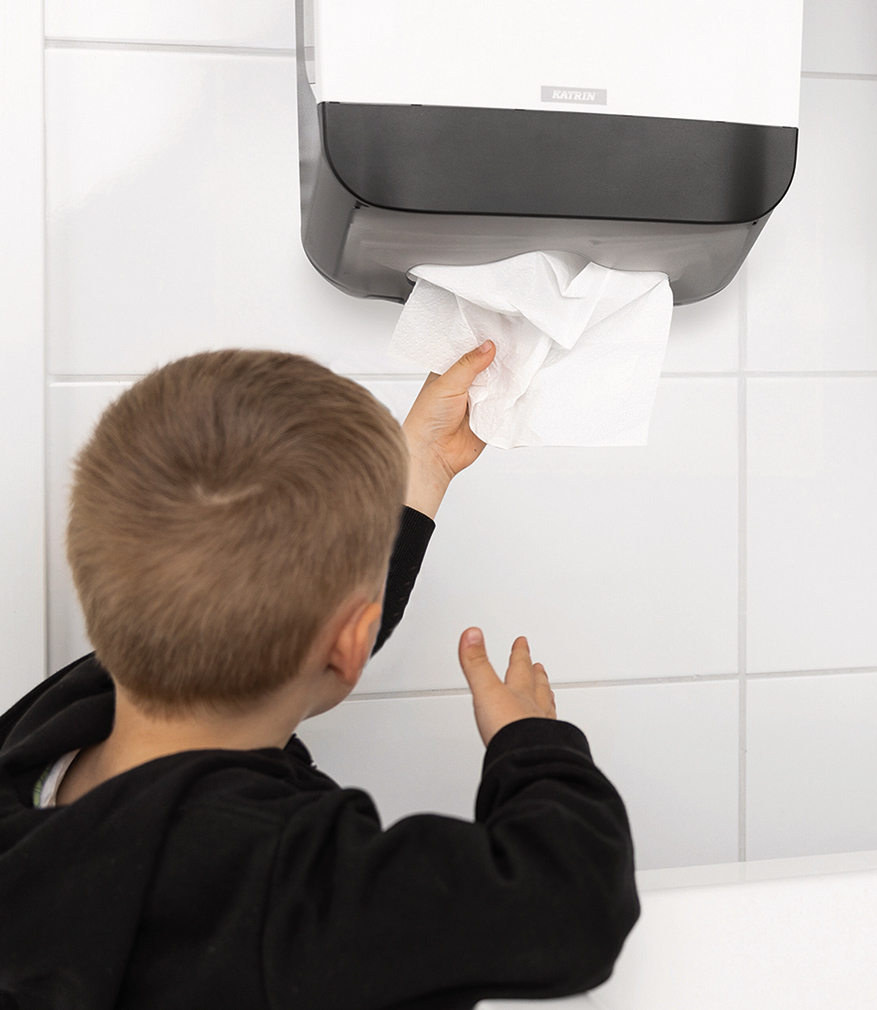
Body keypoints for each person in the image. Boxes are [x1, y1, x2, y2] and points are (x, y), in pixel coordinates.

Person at [0, 342, 639, 1010]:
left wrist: (420, 465)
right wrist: (532, 747)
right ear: (350, 644)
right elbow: (573, 907)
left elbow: (274, 629)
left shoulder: (42, 742)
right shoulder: (291, 893)